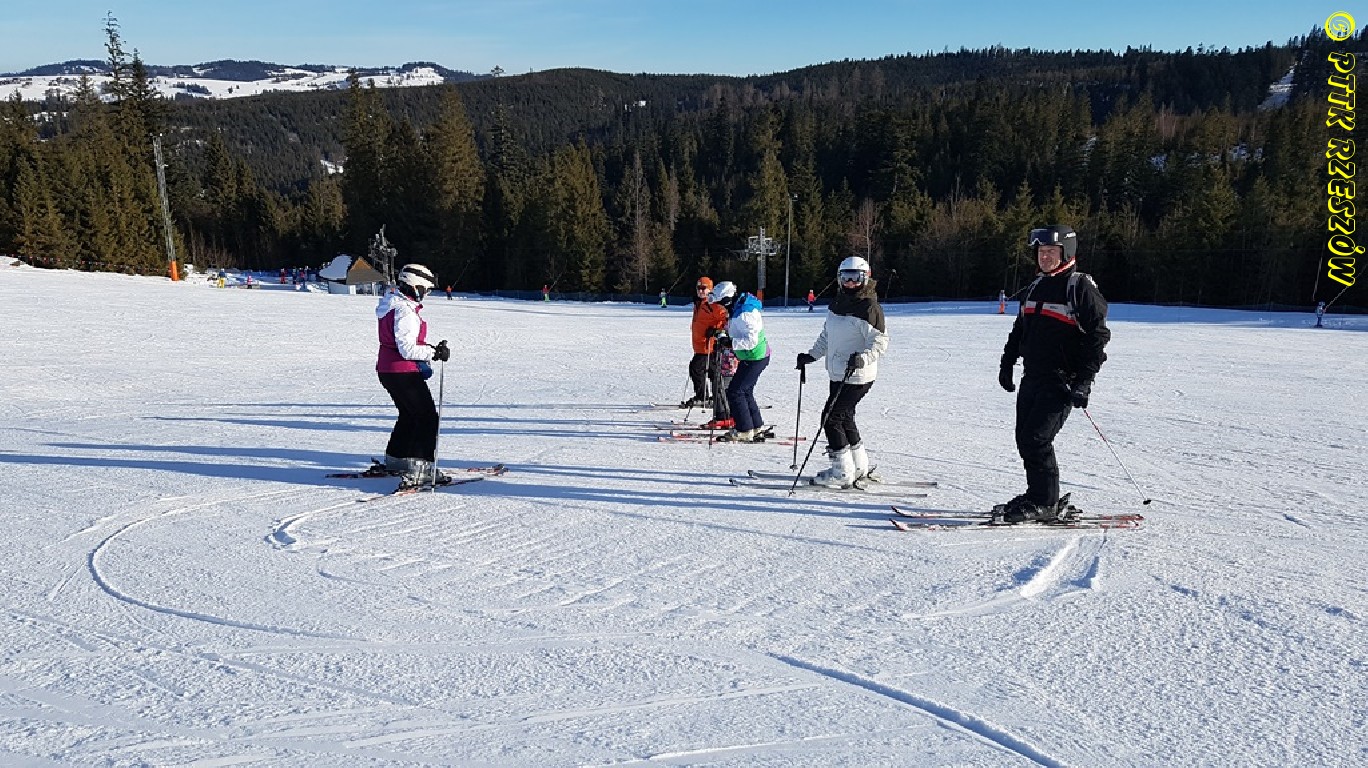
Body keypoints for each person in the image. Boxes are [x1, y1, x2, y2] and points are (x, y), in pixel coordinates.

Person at [998, 225, 1111, 522]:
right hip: (1033, 376)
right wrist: (1007, 363)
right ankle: (1037, 494)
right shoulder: (1035, 286)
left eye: (1051, 251)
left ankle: (1046, 502)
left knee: (1037, 439)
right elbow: (1020, 329)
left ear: (1066, 253)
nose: (1044, 257)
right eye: (1041, 251)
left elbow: (1097, 337)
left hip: (1061, 380)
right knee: (1025, 439)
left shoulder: (1079, 287)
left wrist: (1084, 381)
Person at [796, 257, 889, 488]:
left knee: (831, 418)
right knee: (844, 417)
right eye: (845, 277)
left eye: (855, 277)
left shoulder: (869, 307)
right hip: (838, 372)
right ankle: (858, 466)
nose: (850, 282)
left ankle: (842, 472)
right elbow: (827, 336)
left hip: (857, 375)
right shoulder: (837, 303)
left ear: (865, 278)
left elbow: (879, 342)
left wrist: (862, 358)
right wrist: (812, 355)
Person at [376, 263, 452, 489]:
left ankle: (397, 459)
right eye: (425, 290)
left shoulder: (391, 304)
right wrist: (433, 353)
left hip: (388, 369)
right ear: (415, 287)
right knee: (427, 417)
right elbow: (407, 349)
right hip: (403, 371)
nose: (425, 295)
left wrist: (430, 350)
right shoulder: (405, 311)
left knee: (409, 414)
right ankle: (421, 469)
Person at [708, 281, 770, 441]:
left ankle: (744, 429)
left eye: (721, 303)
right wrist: (722, 334)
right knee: (745, 391)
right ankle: (755, 426)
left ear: (727, 300)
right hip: (752, 356)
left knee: (735, 392)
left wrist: (730, 343)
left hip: (755, 356)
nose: (720, 306)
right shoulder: (738, 308)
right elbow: (737, 330)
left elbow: (751, 341)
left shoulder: (745, 313)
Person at [684, 276, 730, 418]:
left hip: (709, 346)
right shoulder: (698, 303)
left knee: (696, 368)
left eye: (703, 288)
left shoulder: (712, 304)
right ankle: (718, 398)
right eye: (698, 288)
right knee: (712, 373)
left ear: (710, 289)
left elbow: (725, 319)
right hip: (700, 346)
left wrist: (717, 331)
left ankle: (704, 397)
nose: (700, 291)